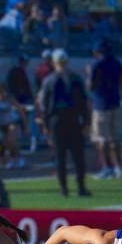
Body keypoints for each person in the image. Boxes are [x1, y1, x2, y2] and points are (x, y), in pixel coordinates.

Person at [37, 49, 91, 197]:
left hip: (56, 121)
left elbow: (44, 104)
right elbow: (83, 102)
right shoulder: (75, 78)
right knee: (77, 156)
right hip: (73, 119)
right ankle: (80, 187)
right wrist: (86, 122)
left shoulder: (49, 80)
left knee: (60, 156)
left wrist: (45, 125)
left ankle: (64, 189)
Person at [87, 40, 122, 179]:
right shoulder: (117, 63)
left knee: (101, 138)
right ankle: (118, 167)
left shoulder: (96, 65)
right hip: (115, 104)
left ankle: (107, 167)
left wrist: (88, 73)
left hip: (100, 105)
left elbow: (90, 86)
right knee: (114, 138)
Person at [0, 81, 28, 169]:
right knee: (4, 143)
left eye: (0, 92)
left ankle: (19, 158)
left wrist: (25, 126)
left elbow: (21, 111)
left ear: (4, 91)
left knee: (10, 139)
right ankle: (11, 158)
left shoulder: (9, 99)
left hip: (11, 122)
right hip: (0, 125)